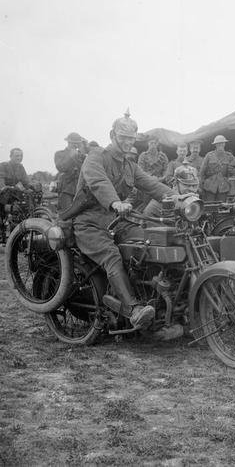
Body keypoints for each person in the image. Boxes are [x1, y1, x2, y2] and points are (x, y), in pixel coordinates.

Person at [68, 112, 174, 329]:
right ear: (112, 135)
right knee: (112, 256)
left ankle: (156, 299)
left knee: (148, 242)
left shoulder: (130, 165)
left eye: (131, 138)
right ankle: (133, 309)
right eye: (123, 137)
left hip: (117, 222)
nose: (127, 142)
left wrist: (182, 199)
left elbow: (153, 185)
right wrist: (115, 203)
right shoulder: (95, 157)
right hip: (89, 223)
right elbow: (98, 182)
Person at [0, 148, 33, 254]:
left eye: (21, 156)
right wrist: (2, 186)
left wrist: (31, 188)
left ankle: (14, 241)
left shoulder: (21, 167)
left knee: (17, 212)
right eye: (16, 156)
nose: (19, 158)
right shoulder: (3, 166)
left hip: (7, 196)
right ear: (11, 156)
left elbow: (25, 181)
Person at [54, 132, 87, 212]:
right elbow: (60, 167)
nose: (76, 146)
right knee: (66, 214)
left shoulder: (82, 156)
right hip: (66, 189)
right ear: (68, 142)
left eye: (78, 144)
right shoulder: (60, 154)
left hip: (80, 190)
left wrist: (84, 149)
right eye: (74, 143)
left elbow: (86, 169)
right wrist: (70, 157)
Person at [200, 135, 235, 201]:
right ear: (215, 145)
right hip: (210, 186)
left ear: (224, 144)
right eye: (218, 144)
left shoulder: (229, 156)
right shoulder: (209, 155)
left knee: (222, 206)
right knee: (210, 206)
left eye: (222, 143)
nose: (220, 145)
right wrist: (201, 186)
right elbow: (202, 172)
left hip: (223, 186)